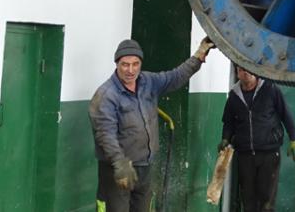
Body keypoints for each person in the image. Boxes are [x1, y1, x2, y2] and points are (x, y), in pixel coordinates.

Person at [89, 37, 215, 212]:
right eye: (125, 65)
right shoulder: (106, 95)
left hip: (145, 167)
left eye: (135, 64)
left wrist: (199, 56)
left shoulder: (148, 81)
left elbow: (175, 76)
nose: (130, 70)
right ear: (117, 64)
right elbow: (105, 134)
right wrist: (119, 163)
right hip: (118, 170)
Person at [218, 64, 295, 212]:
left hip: (269, 153)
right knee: (248, 199)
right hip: (245, 155)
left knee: (267, 200)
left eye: (248, 69)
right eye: (241, 70)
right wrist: (225, 139)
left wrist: (294, 140)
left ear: (255, 71)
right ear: (237, 73)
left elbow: (286, 115)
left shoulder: (270, 89)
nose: (246, 72)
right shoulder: (234, 96)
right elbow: (229, 122)